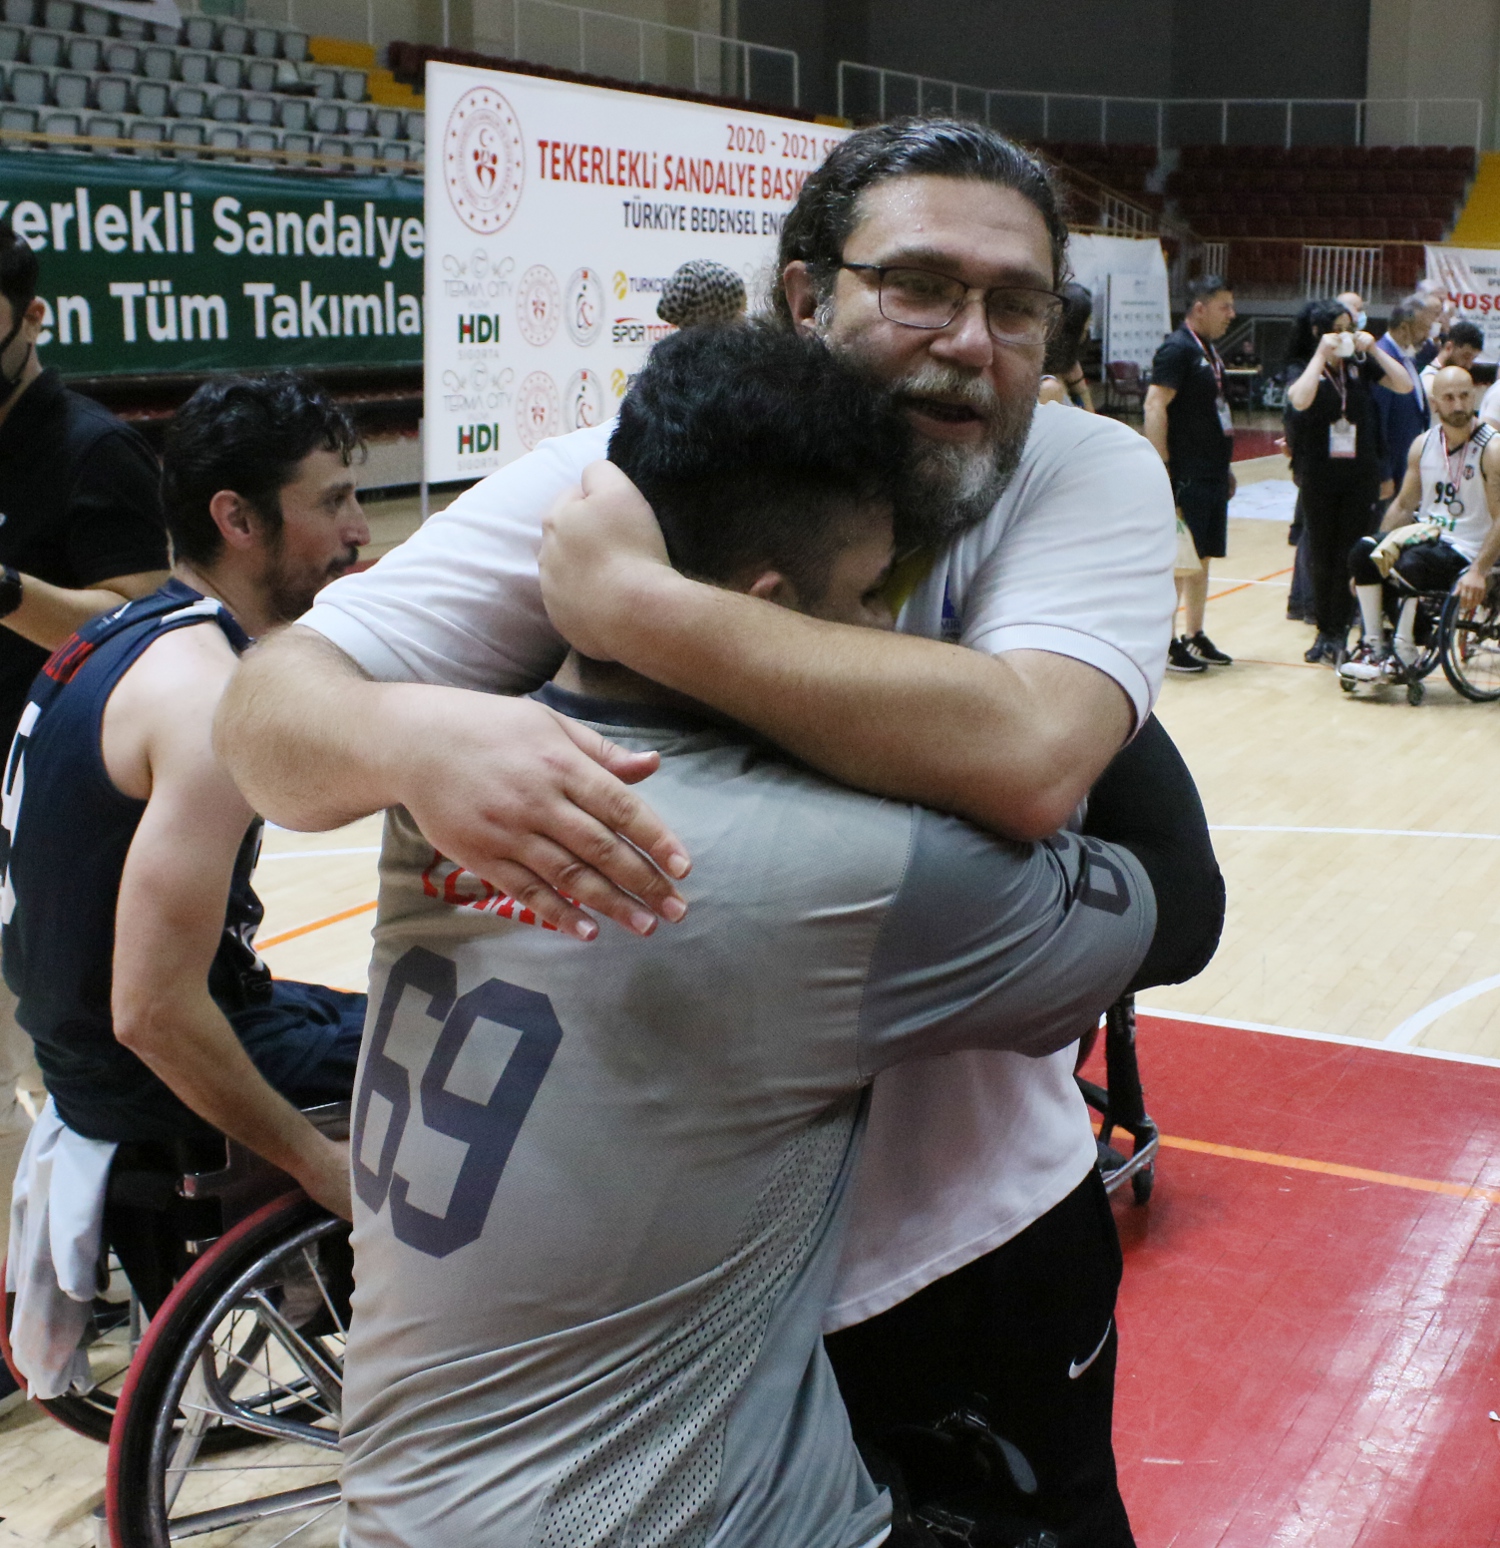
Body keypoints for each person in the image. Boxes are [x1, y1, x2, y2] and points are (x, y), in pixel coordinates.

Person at [220, 119, 1223, 1548]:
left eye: (1017, 304)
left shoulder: (1068, 467)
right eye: (922, 286)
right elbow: (268, 721)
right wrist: (419, 735)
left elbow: (1032, 754)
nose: (972, 340)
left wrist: (644, 608)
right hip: (651, 1309)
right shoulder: (620, 476)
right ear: (807, 296)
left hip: (955, 1249)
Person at [1, 372, 371, 1314]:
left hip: (81, 1048)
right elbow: (153, 1014)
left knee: (411, 1008)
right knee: (494, 1059)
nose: (360, 530)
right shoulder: (206, 700)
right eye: (332, 502)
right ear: (238, 520)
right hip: (145, 1067)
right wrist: (320, 1167)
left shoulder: (129, 630)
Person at [0, 221, 170, 1368]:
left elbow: (139, 616)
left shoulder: (93, 450)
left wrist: (3, 589)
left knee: (73, 1062)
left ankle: (161, 1301)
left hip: (55, 806)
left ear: (31, 317)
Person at [1341, 364, 1500, 681]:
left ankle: (1405, 648)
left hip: (1467, 548)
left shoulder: (1492, 449)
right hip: (1427, 536)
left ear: (1475, 397)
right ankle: (1373, 645)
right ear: (1435, 403)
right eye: (1449, 397)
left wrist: (1479, 571)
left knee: (1410, 564)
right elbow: (1402, 505)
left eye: (1465, 396)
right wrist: (1372, 561)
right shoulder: (1423, 445)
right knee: (1362, 553)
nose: (1458, 405)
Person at [1284, 298, 1414, 663]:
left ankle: (1340, 630)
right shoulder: (1305, 366)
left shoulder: (1360, 366)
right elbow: (1299, 400)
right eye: (1336, 329)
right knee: (1320, 555)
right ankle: (1324, 630)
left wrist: (1372, 348)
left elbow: (1403, 385)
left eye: (1348, 327)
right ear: (1317, 332)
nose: (1344, 335)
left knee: (1349, 553)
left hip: (1359, 476)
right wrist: (1321, 356)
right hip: (1319, 475)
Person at [1145, 274, 1238, 672]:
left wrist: (1225, 466)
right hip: (1184, 473)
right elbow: (1154, 406)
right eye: (1224, 307)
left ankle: (1194, 635)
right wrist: (1161, 469)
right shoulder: (1177, 349)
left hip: (1211, 472)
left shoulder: (1210, 351)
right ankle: (1164, 643)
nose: (1232, 315)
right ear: (1199, 308)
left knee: (1202, 556)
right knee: (1178, 561)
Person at [1372, 296, 1436, 494]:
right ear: (1404, 328)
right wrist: (1384, 473)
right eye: (1424, 328)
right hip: (1392, 469)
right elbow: (1377, 421)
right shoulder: (1382, 360)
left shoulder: (1407, 357)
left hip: (1406, 465)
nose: (1428, 335)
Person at [1037, 281, 1095, 411]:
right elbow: (1088, 426)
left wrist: (1079, 385)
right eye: (1086, 326)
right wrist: (1082, 391)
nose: (1090, 325)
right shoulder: (1049, 388)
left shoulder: (1067, 373)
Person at [1419, 320, 1483, 409]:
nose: (1468, 365)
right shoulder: (1430, 383)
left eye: (1473, 359)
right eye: (1466, 356)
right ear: (1449, 348)